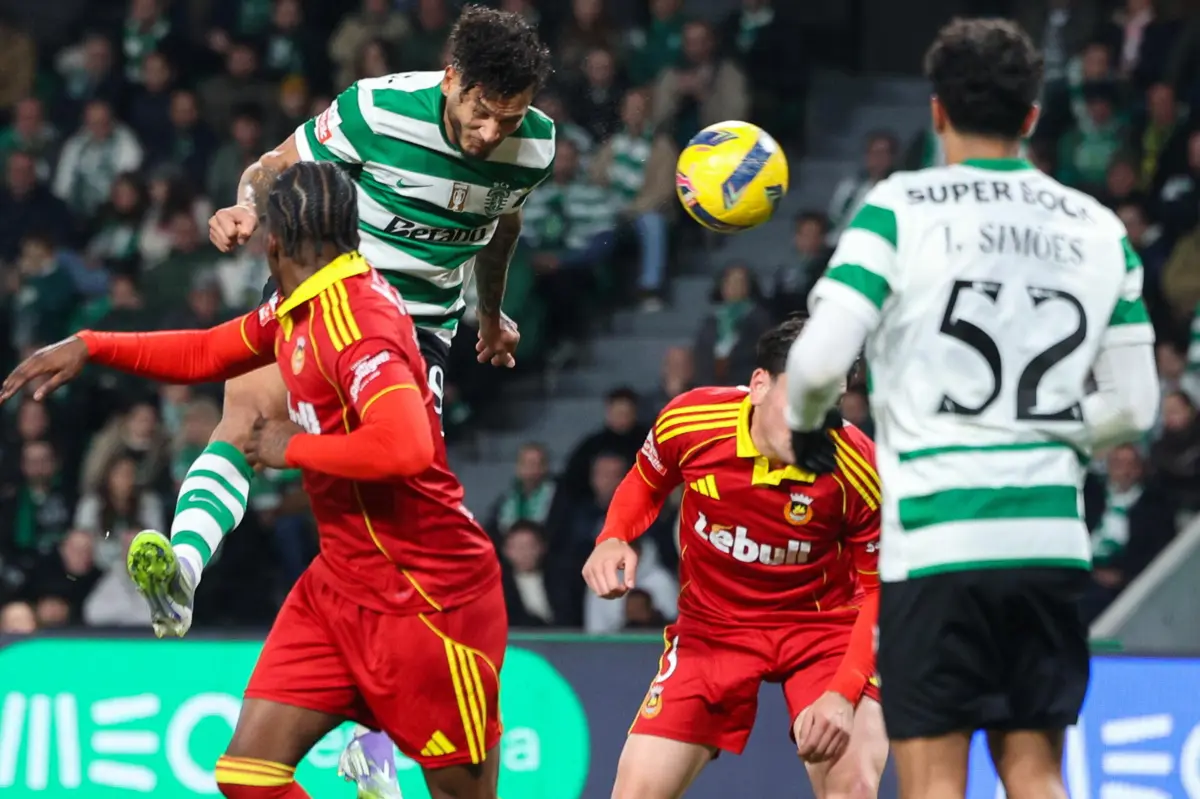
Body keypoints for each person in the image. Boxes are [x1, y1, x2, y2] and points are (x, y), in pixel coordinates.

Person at [1, 161, 507, 799]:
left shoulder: (358, 329)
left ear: (273, 242)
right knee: (248, 776)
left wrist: (294, 446)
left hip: (429, 599)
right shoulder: (306, 302)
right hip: (341, 584)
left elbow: (406, 448)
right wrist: (92, 344)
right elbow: (209, 351)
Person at [142, 5, 550, 795]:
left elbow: (502, 227)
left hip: (410, 337)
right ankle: (183, 569)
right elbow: (273, 166)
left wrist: (491, 316)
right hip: (326, 289)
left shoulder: (533, 144)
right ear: (452, 79)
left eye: (506, 118)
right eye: (478, 113)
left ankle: (377, 742)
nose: (488, 134)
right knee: (246, 408)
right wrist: (246, 208)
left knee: (388, 512)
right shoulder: (375, 108)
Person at [782, 19, 1160, 799]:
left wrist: (812, 423)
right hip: (1050, 542)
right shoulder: (1098, 229)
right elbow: (1135, 408)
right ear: (1031, 117)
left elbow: (817, 362)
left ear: (935, 113)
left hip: (938, 544)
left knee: (934, 782)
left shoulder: (896, 210)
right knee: (1036, 773)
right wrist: (1043, 437)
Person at [581, 318, 888, 799]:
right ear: (760, 385)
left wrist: (843, 694)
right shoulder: (693, 421)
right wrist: (614, 535)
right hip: (713, 630)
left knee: (855, 788)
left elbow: (876, 589)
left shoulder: (856, 465)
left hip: (823, 630)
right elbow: (647, 479)